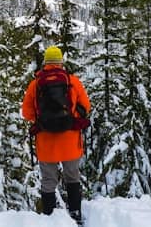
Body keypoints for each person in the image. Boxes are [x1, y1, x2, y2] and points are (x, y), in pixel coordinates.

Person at [22, 45, 91, 223]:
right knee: (72, 178)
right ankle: (75, 215)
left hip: (46, 142)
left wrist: (42, 121)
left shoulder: (35, 84)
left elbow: (27, 113)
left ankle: (50, 219)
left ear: (45, 63)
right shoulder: (72, 81)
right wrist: (71, 119)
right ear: (61, 62)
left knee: (48, 182)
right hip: (70, 140)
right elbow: (85, 107)